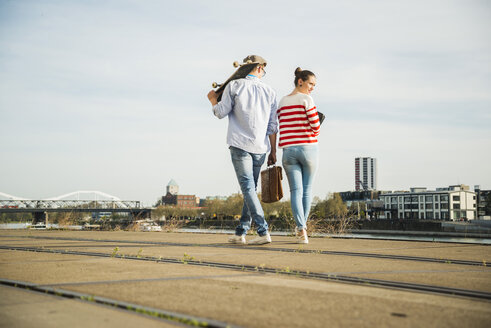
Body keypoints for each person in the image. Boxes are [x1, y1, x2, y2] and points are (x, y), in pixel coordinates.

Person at [207, 55, 278, 245]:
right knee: (251, 190)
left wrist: (213, 100)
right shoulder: (270, 92)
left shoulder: (235, 86)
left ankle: (263, 232)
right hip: (261, 148)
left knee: (248, 189)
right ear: (259, 68)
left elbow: (220, 113)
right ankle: (241, 233)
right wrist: (273, 151)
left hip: (240, 144)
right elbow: (272, 126)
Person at [276, 67, 321, 244]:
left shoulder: (282, 101)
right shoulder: (307, 99)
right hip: (308, 148)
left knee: (295, 191)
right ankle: (303, 229)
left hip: (288, 151)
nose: (312, 88)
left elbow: (281, 124)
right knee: (307, 190)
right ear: (300, 81)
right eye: (311, 83)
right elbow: (316, 127)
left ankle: (301, 229)